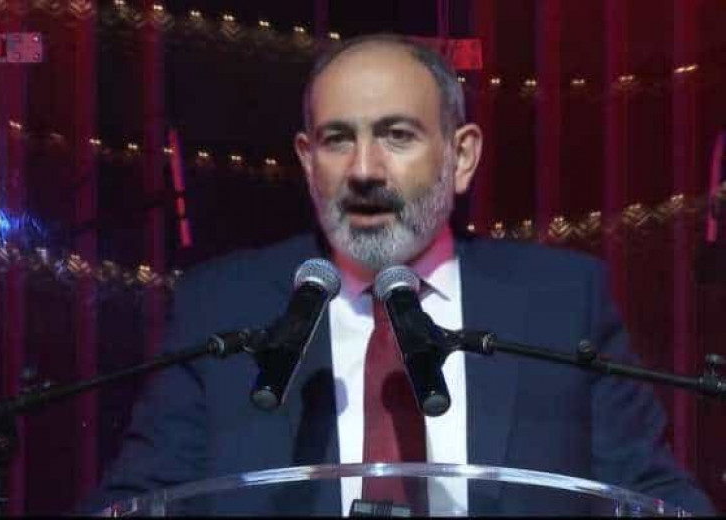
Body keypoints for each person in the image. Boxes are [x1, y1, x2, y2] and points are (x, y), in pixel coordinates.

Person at [77, 33, 715, 515]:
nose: (364, 170)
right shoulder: (222, 305)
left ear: (461, 157)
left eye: (397, 135)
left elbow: (656, 495)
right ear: (307, 161)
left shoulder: (561, 300)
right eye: (337, 140)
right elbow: (133, 500)